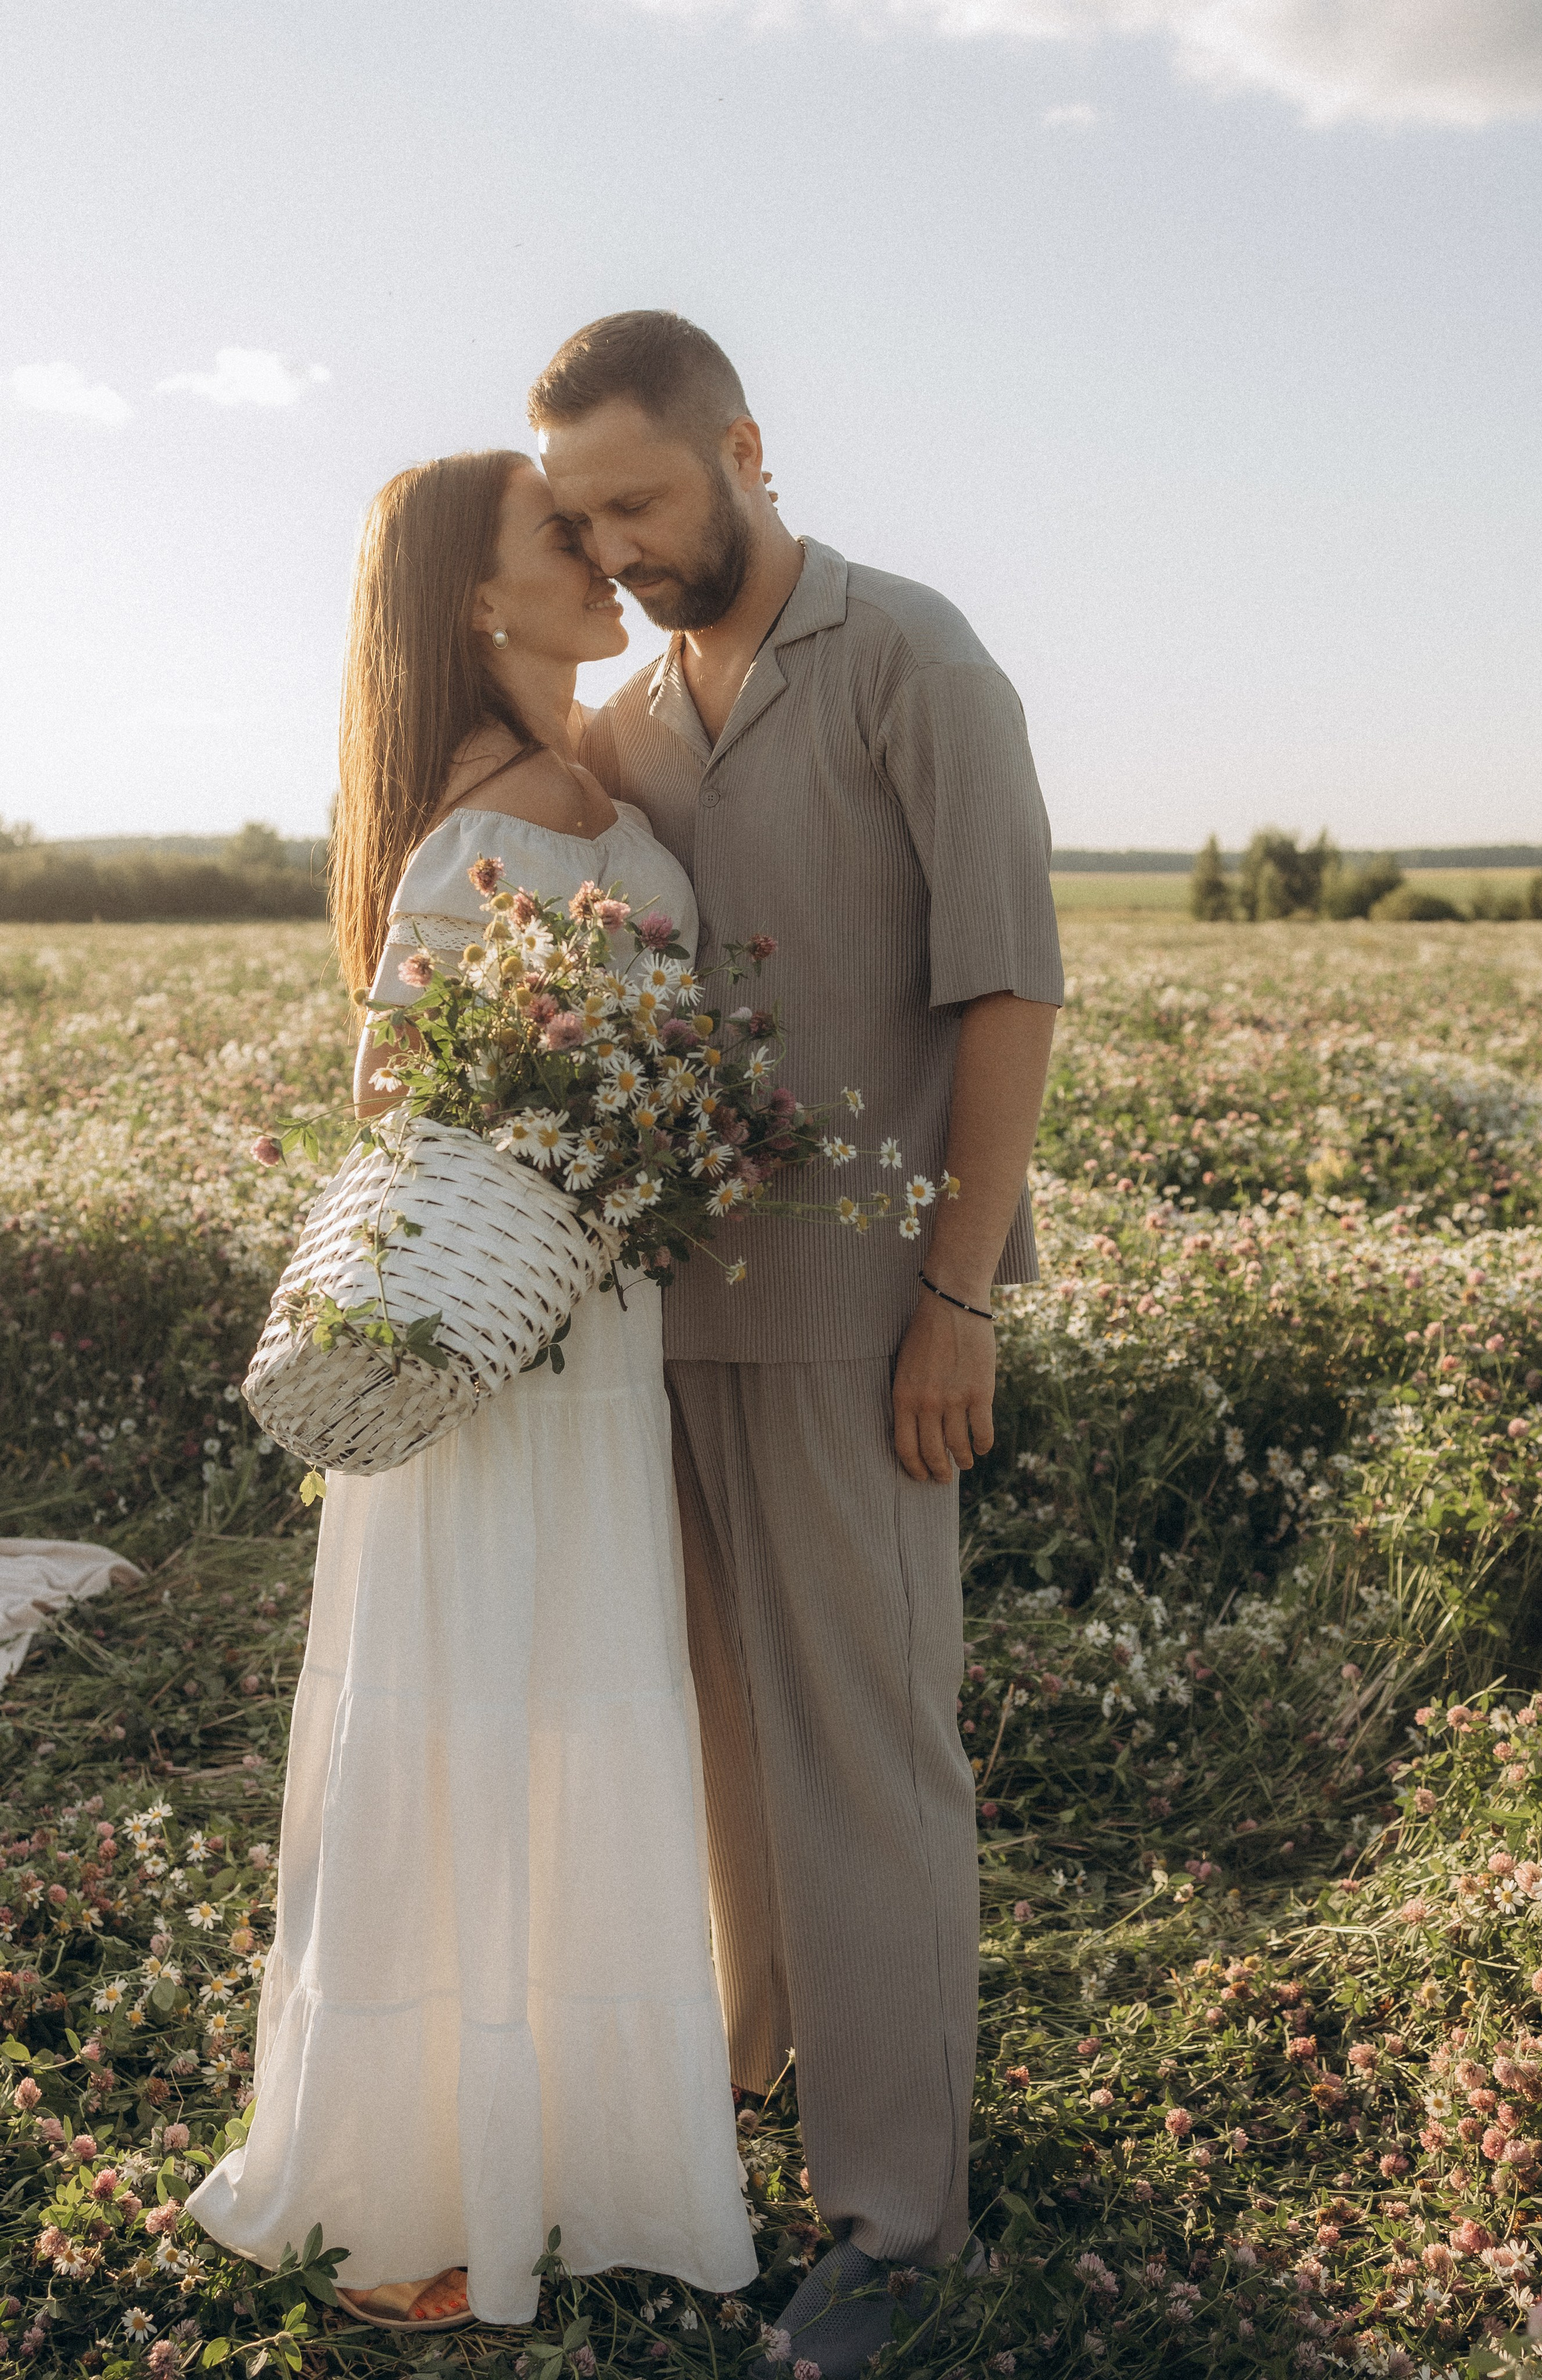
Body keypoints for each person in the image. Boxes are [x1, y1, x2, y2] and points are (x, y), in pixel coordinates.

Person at [534, 311, 1064, 2380]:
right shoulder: (634, 725)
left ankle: (900, 2229)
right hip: (667, 1318)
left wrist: (960, 1295)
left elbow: (1006, 993)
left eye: (644, 500)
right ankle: (746, 2095)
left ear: (746, 448)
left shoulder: (915, 659)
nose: (622, 548)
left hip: (868, 1318)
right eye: (585, 519)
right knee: (724, 1744)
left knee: (867, 1757)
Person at [185, 449, 758, 2331]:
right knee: (473, 1716)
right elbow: (394, 1106)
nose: (600, 562)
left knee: (577, 1709)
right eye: (558, 541)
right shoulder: (481, 822)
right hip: (498, 1348)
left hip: (594, 1341)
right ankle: (431, 2180)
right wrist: (576, 1111)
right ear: (473, 603)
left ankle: (576, 2155)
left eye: (601, 532)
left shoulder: (602, 781)